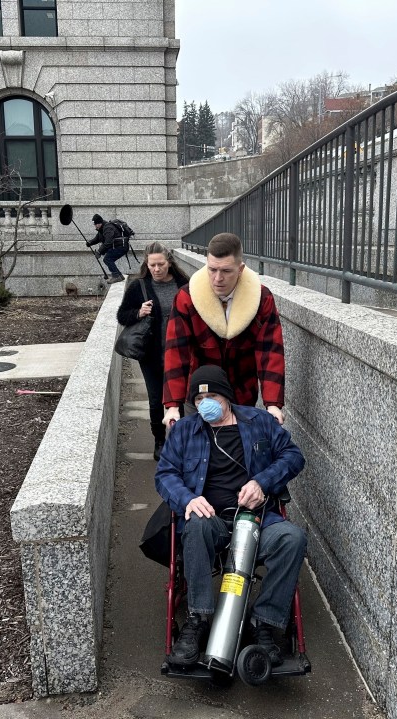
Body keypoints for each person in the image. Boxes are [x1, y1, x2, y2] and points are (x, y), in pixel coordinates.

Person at [155, 364, 306, 667]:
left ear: (226, 395)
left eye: (211, 396)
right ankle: (198, 620)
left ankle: (263, 621)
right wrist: (188, 498)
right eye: (198, 400)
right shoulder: (185, 430)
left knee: (293, 538)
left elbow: (294, 456)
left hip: (256, 521)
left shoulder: (259, 422)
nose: (205, 404)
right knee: (194, 524)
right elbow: (165, 474)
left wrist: (263, 482)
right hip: (211, 523)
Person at [162, 232, 285, 427]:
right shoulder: (187, 297)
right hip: (200, 395)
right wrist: (172, 405)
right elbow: (176, 352)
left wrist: (273, 404)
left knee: (240, 452)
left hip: (242, 394)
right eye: (212, 270)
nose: (218, 278)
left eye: (226, 271)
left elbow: (270, 352)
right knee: (193, 450)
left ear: (241, 269)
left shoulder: (261, 298)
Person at [116, 242, 189, 460]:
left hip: (180, 353)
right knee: (157, 399)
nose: (156, 269)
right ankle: (160, 441)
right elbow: (122, 315)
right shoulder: (139, 287)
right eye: (152, 265)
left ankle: (181, 443)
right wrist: (138, 312)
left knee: (179, 398)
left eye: (160, 264)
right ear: (146, 264)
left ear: (169, 262)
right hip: (151, 355)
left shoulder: (183, 284)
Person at [87, 213, 128, 283]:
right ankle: (119, 276)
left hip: (121, 247)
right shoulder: (102, 228)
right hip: (118, 247)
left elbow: (108, 242)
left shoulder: (108, 228)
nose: (95, 226)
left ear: (99, 223)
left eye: (95, 224)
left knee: (107, 259)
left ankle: (116, 276)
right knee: (108, 259)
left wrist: (99, 252)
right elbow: (97, 238)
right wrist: (90, 243)